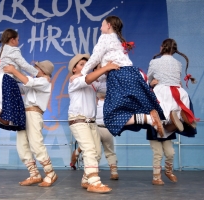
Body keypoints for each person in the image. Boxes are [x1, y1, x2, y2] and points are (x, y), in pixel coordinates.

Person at [71, 15, 165, 138]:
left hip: (119, 77)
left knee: (111, 116)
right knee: (135, 106)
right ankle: (162, 120)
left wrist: (82, 73)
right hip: (132, 74)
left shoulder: (105, 37)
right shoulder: (118, 41)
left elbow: (95, 57)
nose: (100, 28)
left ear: (108, 25)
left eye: (102, 25)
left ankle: (149, 118)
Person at [146, 38, 198, 185]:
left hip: (162, 92)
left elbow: (148, 80)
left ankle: (168, 171)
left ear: (161, 47)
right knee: (159, 151)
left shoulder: (154, 62)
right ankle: (180, 119)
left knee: (169, 151)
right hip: (176, 93)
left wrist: (151, 83)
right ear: (174, 50)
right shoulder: (178, 63)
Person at [68, 54, 118, 193]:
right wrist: (105, 67)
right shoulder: (75, 80)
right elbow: (89, 78)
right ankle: (94, 182)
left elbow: (104, 86)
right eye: (81, 64)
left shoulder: (92, 84)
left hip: (91, 122)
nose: (85, 66)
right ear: (74, 69)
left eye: (86, 63)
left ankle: (86, 179)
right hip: (78, 120)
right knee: (89, 149)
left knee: (96, 152)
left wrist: (107, 70)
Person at [3, 60, 57, 187]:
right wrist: (9, 76)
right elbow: (21, 87)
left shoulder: (44, 81)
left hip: (34, 113)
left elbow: (28, 82)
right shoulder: (34, 82)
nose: (33, 69)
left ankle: (50, 173)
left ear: (42, 71)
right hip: (24, 113)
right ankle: (34, 174)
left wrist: (14, 71)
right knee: (21, 144)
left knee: (36, 143)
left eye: (36, 68)